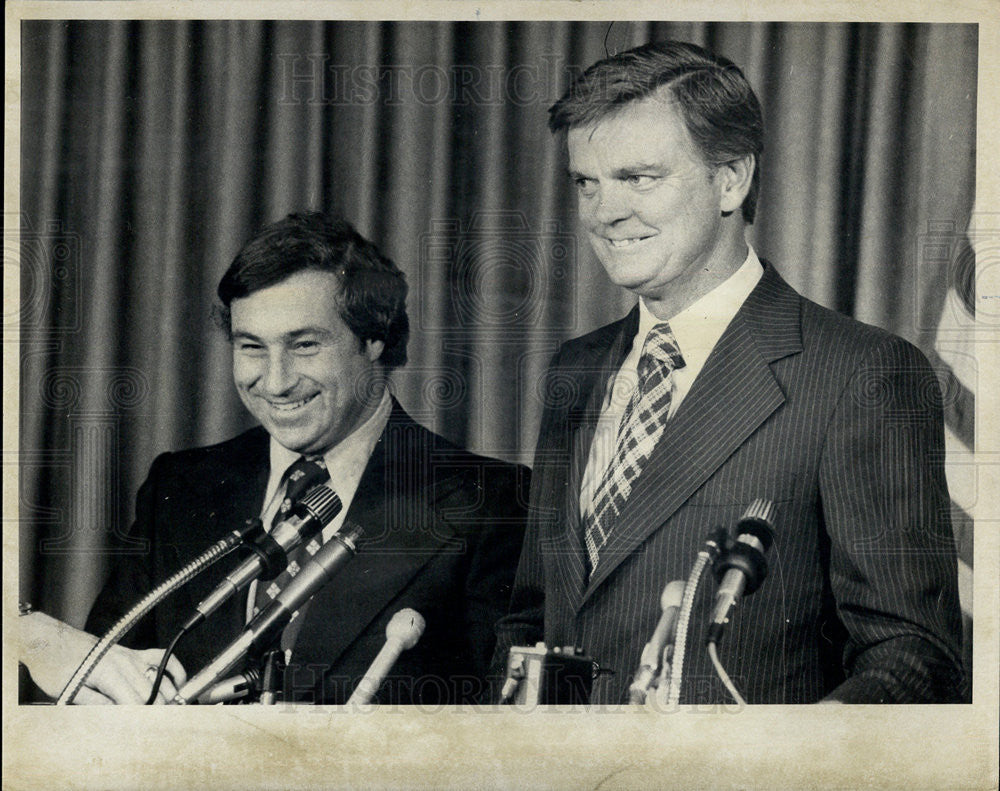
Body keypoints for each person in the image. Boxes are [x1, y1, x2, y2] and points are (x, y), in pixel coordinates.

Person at [493, 40, 965, 704]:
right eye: (586, 183)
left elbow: (914, 655)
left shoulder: (860, 373)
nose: (604, 212)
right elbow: (533, 613)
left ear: (731, 179)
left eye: (639, 177)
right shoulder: (577, 365)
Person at [84, 212, 527, 705]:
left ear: (374, 339)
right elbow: (101, 681)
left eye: (305, 345)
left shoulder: (492, 503)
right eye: (251, 347)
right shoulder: (180, 486)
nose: (275, 382)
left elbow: (497, 731)